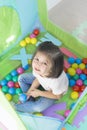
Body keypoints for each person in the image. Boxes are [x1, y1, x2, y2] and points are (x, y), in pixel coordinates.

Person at [15, 41, 69, 113]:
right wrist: (29, 92)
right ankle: (29, 99)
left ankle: (15, 108)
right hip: (44, 83)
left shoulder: (56, 81)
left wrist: (40, 93)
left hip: (52, 93)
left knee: (38, 107)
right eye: (37, 59)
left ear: (53, 68)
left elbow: (58, 96)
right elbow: (38, 78)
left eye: (45, 63)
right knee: (22, 78)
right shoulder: (39, 69)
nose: (38, 64)